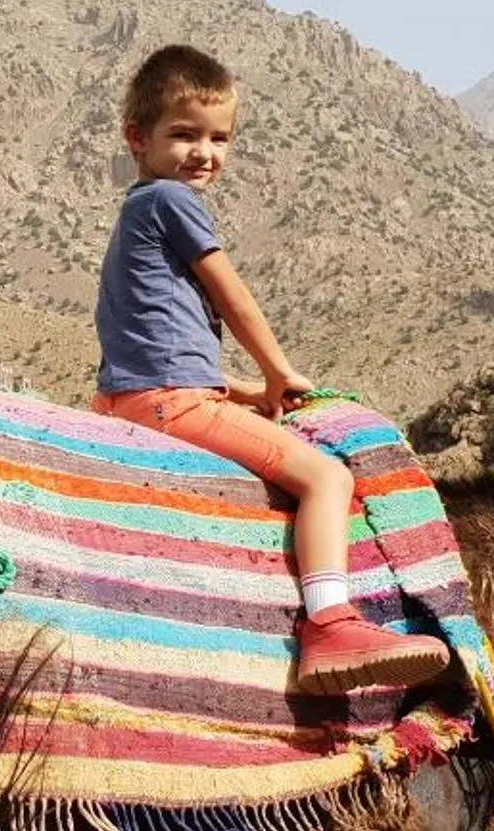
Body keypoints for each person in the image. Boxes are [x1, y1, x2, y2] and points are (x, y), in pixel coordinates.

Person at [90, 44, 450, 694]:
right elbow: (233, 295)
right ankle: (331, 623)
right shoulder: (170, 199)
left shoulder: (137, 213)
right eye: (184, 135)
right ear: (137, 139)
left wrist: (249, 393)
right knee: (326, 478)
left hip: (138, 396)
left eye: (219, 138)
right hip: (172, 402)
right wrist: (279, 371)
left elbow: (159, 345)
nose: (205, 153)